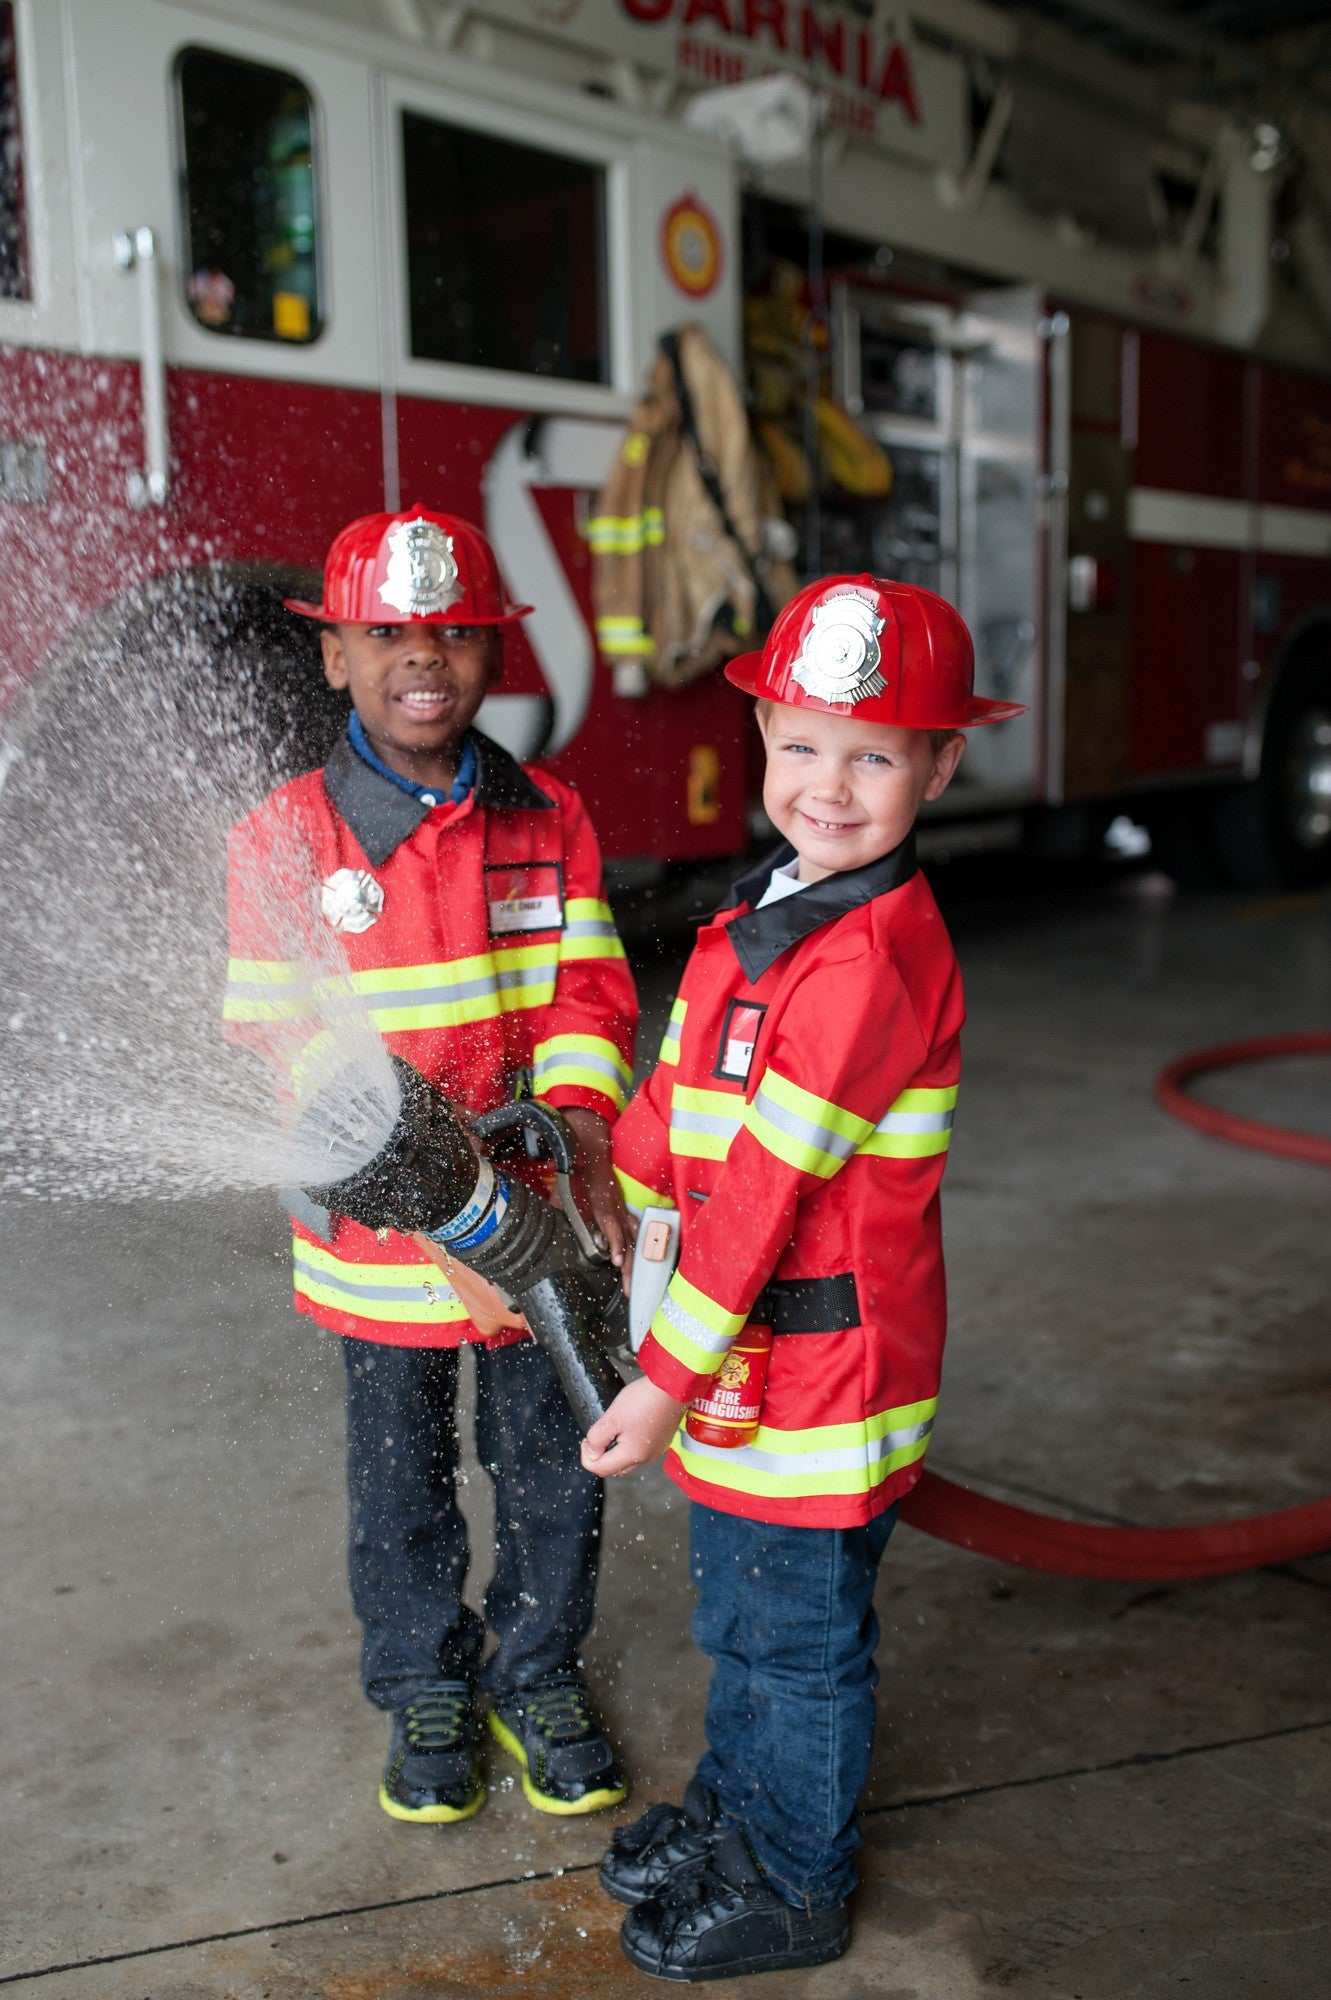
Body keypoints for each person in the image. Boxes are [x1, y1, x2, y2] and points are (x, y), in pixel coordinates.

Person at [582, 574, 1024, 1980]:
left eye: (877, 754)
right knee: (747, 1616)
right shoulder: (770, 914)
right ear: (764, 730)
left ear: (943, 764)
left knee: (795, 1639)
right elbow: (673, 1102)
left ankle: (794, 1878)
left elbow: (765, 1201)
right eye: (803, 745)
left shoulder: (867, 967)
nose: (829, 788)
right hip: (752, 1377)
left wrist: (657, 1382)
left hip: (819, 1382)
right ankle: (739, 1816)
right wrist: (589, 1181)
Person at [224, 506, 637, 1826]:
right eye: (388, 632)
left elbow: (587, 996)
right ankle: (423, 1682)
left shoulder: (551, 818)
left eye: (455, 633)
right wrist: (437, 1234)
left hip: (530, 1230)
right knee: (399, 1479)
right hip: (383, 1256)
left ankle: (536, 1673)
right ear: (334, 655)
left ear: (492, 656)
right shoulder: (283, 840)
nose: (425, 658)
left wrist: (576, 1128)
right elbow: (287, 1055)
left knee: (552, 1465)